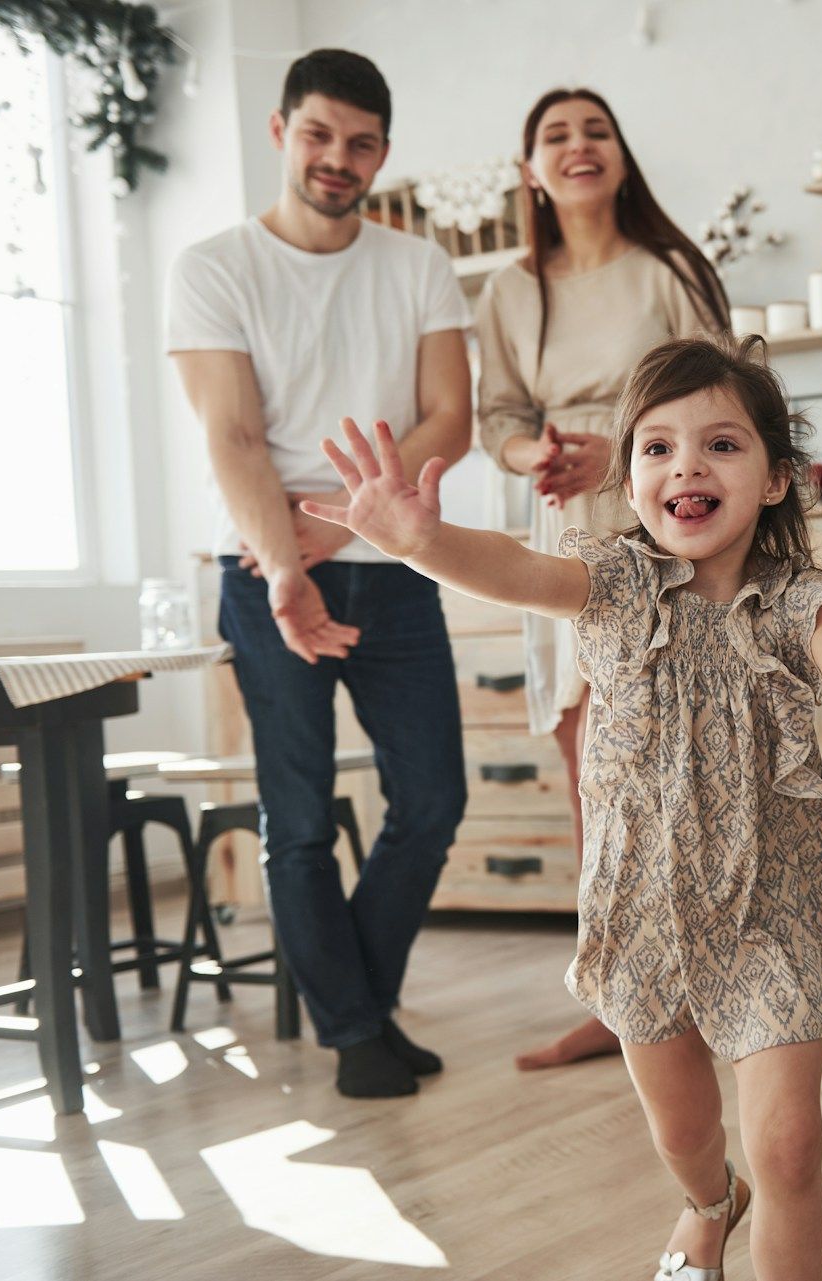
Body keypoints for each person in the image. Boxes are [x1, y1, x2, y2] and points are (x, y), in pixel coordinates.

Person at [301, 336, 822, 1279]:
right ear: (629, 481)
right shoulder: (614, 585)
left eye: (722, 444)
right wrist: (422, 540)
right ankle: (710, 1201)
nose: (687, 466)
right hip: (639, 907)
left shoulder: (796, 599)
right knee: (684, 1130)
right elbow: (508, 566)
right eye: (657, 448)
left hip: (773, 906)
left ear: (778, 478)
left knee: (790, 1147)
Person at [165, 49, 471, 1099]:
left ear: (384, 151)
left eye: (362, 143)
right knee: (294, 820)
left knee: (431, 800)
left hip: (390, 564)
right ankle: (356, 1034)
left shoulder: (419, 265)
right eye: (319, 134)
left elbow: (450, 422)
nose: (338, 159)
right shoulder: (213, 268)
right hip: (262, 574)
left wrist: (338, 530)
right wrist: (290, 569)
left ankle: (360, 1009)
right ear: (281, 131)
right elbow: (235, 438)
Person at [473, 87, 730, 1071]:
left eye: (597, 131)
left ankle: (710, 986)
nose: (579, 147)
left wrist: (622, 456)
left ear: (621, 155)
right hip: (562, 533)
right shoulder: (508, 291)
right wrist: (530, 455)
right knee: (592, 773)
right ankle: (625, 998)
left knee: (679, 766)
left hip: (667, 521)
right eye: (555, 135)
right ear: (530, 167)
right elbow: (496, 414)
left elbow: (724, 398)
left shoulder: (667, 271)